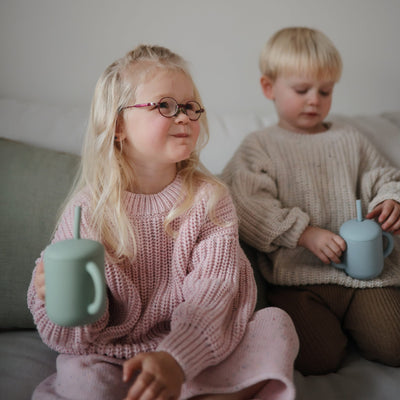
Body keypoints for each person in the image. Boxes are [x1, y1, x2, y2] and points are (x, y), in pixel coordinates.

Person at [28, 44, 299, 400]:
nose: (184, 116)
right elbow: (71, 337)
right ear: (118, 126)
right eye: (165, 106)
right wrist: (56, 300)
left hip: (194, 350)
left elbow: (213, 293)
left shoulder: (210, 200)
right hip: (113, 356)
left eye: (189, 107)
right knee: (81, 376)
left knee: (274, 325)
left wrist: (175, 359)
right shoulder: (89, 211)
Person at [221, 27, 400, 376]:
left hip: (366, 278)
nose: (314, 100)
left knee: (394, 345)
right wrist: (303, 233)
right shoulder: (259, 145)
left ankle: (358, 325)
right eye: (302, 90)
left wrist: (392, 199)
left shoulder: (350, 139)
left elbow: (385, 176)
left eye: (325, 91)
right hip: (298, 280)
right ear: (269, 88)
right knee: (316, 358)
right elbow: (243, 202)